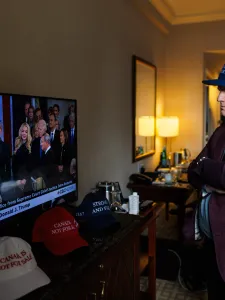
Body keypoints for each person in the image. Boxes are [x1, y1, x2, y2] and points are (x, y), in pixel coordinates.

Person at [188, 64, 225, 299]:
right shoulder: (219, 133)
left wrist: (207, 167)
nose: (220, 97)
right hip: (212, 236)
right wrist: (211, 174)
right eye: (220, 90)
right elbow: (192, 171)